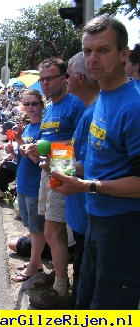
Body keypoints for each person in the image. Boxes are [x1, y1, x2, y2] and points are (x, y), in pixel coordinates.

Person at [51, 16, 140, 310]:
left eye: (102, 50)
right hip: (96, 222)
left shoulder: (134, 106)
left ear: (123, 54)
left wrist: (85, 185)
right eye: (88, 51)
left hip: (124, 226)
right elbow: (97, 162)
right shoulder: (103, 97)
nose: (92, 59)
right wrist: (59, 168)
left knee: (111, 314)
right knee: (85, 305)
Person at [26, 57, 86, 309]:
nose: (45, 83)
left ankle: (61, 287)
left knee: (53, 230)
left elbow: (81, 145)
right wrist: (33, 148)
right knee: (52, 230)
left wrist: (56, 161)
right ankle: (60, 276)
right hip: (47, 171)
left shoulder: (76, 105)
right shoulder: (49, 107)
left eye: (50, 78)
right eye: (42, 79)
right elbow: (47, 140)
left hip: (63, 173)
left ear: (65, 77)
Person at [64, 51, 100, 307]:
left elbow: (91, 165)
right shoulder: (90, 110)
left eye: (66, 75)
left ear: (78, 78)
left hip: (90, 218)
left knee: (86, 288)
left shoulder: (95, 112)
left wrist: (53, 163)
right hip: (82, 217)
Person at [10, 90, 44, 282]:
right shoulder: (28, 127)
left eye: (34, 103)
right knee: (31, 228)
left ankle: (33, 267)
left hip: (35, 185)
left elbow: (39, 159)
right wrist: (13, 150)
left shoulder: (43, 128)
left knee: (36, 228)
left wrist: (20, 142)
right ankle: (36, 261)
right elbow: (22, 158)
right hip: (23, 182)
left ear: (41, 105)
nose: (31, 107)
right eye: (27, 104)